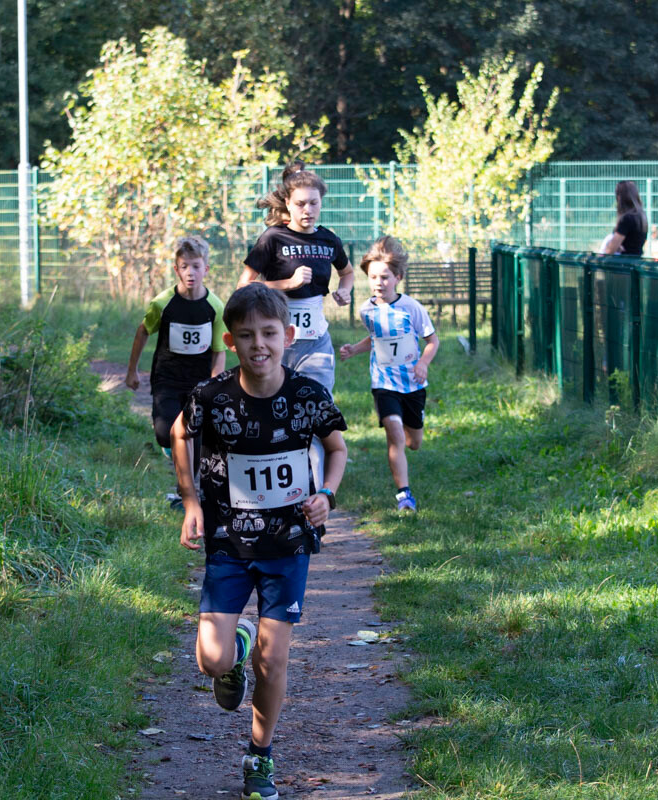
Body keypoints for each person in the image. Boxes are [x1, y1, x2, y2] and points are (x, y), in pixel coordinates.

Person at [171, 282, 348, 800]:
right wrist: (191, 501)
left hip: (289, 542)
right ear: (230, 340)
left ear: (288, 336)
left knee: (274, 662)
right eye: (246, 335)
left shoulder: (308, 397)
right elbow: (182, 432)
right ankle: (235, 648)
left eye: (269, 333)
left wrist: (328, 496)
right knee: (211, 659)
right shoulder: (212, 396)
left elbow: (335, 448)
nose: (259, 345)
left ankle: (259, 756)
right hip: (228, 541)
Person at [237, 161, 354, 486]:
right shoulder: (273, 238)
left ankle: (312, 489)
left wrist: (344, 292)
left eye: (314, 203)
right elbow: (243, 286)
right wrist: (285, 285)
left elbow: (347, 272)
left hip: (316, 341)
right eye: (300, 203)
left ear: (321, 203)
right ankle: (273, 482)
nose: (308, 209)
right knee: (276, 415)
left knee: (314, 413)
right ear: (287, 204)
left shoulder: (329, 240)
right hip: (277, 344)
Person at [339, 236, 439, 512]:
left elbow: (432, 341)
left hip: (413, 383)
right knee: (393, 431)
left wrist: (423, 364)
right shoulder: (366, 310)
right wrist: (353, 350)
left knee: (413, 442)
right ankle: (404, 495)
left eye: (384, 277)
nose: (378, 283)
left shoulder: (412, 308)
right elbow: (375, 339)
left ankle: (413, 427)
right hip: (383, 381)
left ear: (397, 277)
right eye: (373, 277)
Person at [126, 235, 227, 505]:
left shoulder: (215, 307)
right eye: (184, 266)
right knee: (164, 432)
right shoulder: (163, 303)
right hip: (167, 379)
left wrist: (215, 385)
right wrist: (132, 370)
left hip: (199, 382)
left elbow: (219, 351)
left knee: (193, 435)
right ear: (176, 269)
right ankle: (174, 454)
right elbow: (143, 331)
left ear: (206, 268)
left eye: (196, 266)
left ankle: (186, 492)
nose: (190, 272)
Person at [600, 180, 649, 256]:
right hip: (636, 260)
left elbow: (610, 250)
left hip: (624, 263)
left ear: (619, 197)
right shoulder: (641, 216)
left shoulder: (627, 219)